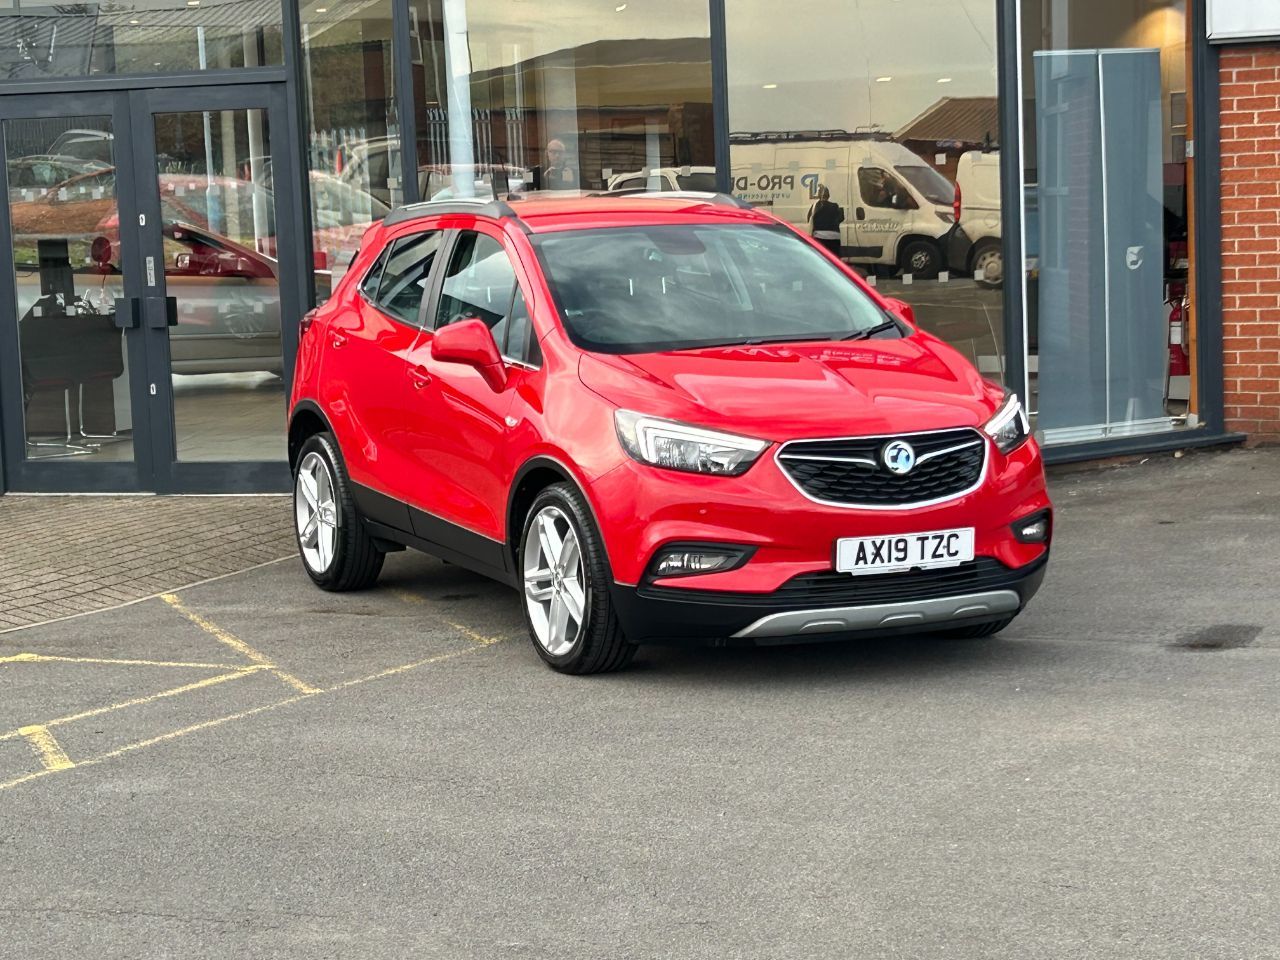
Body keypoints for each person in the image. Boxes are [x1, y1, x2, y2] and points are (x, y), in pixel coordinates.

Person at [807, 184, 844, 257]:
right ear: (828, 196)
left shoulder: (815, 206)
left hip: (820, 237)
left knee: (822, 258)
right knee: (834, 258)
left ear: (818, 195)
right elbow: (841, 218)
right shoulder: (835, 206)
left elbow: (809, 219)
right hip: (834, 237)